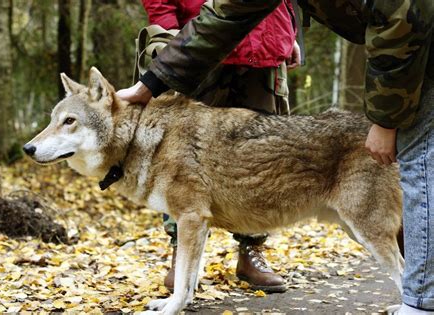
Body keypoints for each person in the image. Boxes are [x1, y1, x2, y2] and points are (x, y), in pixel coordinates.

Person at [118, 1, 434, 314]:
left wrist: (385, 119)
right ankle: (420, 296)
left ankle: (422, 302)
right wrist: (151, 82)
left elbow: (403, 21)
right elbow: (226, 13)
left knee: (421, 166)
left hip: (415, 45)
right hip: (209, 54)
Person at [138, 0, 300, 293]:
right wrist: (168, 31)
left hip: (264, 45)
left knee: (260, 159)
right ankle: (183, 253)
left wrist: (288, 30)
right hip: (197, 45)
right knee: (180, 158)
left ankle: (252, 251)